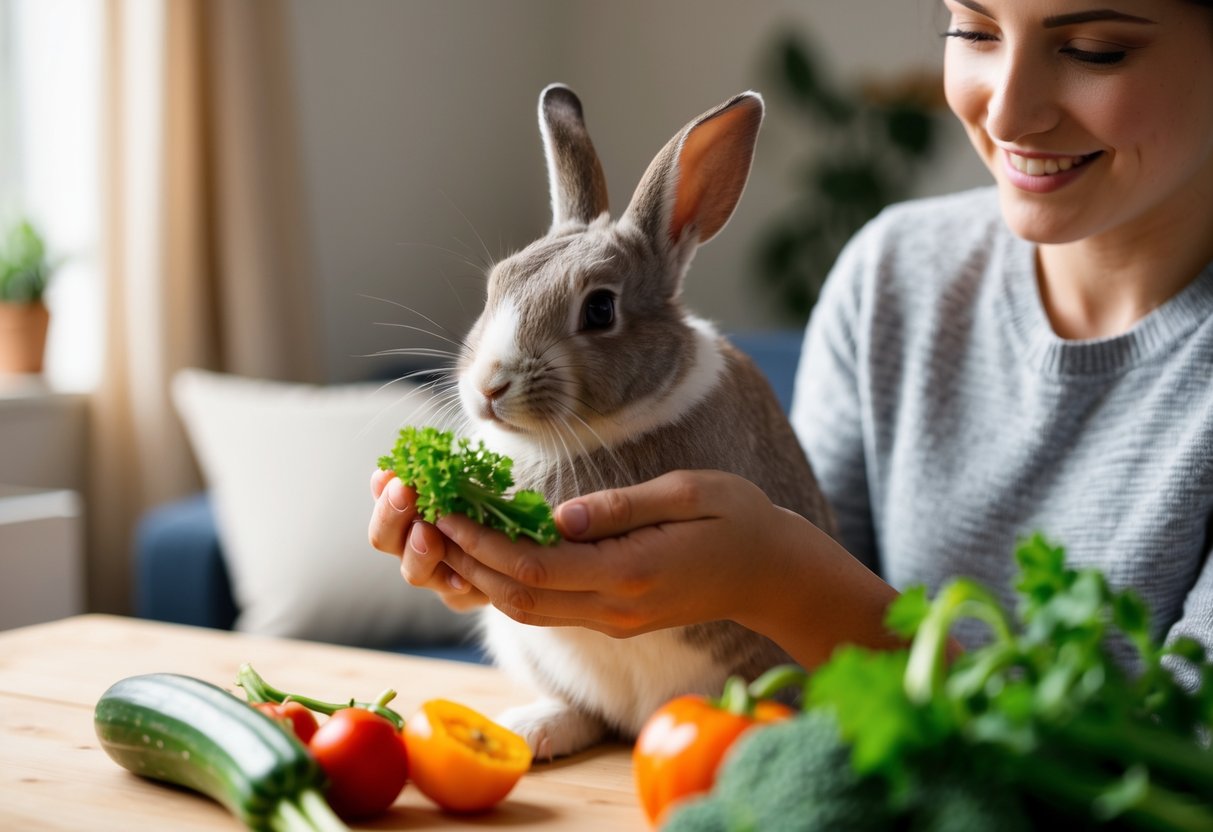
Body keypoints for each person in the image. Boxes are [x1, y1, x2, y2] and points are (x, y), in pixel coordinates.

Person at [369, 0, 1213, 685]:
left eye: (1096, 48)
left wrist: (776, 579)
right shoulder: (891, 274)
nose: (1008, 108)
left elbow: (1183, 757)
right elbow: (820, 640)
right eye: (974, 30)